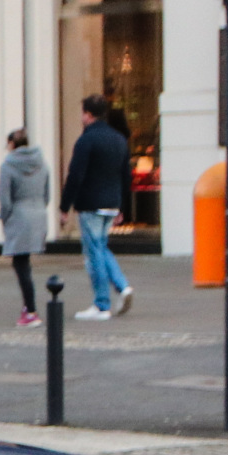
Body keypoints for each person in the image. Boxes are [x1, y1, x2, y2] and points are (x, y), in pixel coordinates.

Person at [60, 94, 134, 320]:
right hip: (111, 203)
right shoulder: (119, 139)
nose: (81, 117)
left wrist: (65, 206)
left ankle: (102, 304)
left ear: (88, 114)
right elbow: (126, 176)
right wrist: (123, 207)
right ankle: (122, 286)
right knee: (101, 247)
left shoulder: (86, 140)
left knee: (94, 253)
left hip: (91, 203)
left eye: (83, 112)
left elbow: (76, 175)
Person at [0, 128, 52, 328]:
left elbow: (4, 199)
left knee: (21, 266)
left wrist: (5, 217)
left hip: (19, 216)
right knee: (25, 263)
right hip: (38, 214)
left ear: (12, 145)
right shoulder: (42, 163)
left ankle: (30, 310)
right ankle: (28, 308)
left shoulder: (8, 166)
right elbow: (47, 195)